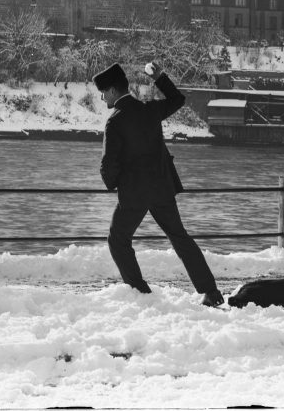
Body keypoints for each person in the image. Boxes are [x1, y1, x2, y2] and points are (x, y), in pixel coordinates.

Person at [93, 60, 225, 307]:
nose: (102, 98)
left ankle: (140, 292)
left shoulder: (116, 120)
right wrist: (160, 77)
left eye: (102, 93)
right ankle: (211, 291)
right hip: (162, 188)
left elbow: (109, 164)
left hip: (134, 194)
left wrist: (111, 182)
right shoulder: (148, 109)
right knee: (179, 237)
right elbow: (177, 99)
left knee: (117, 240)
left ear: (111, 91)